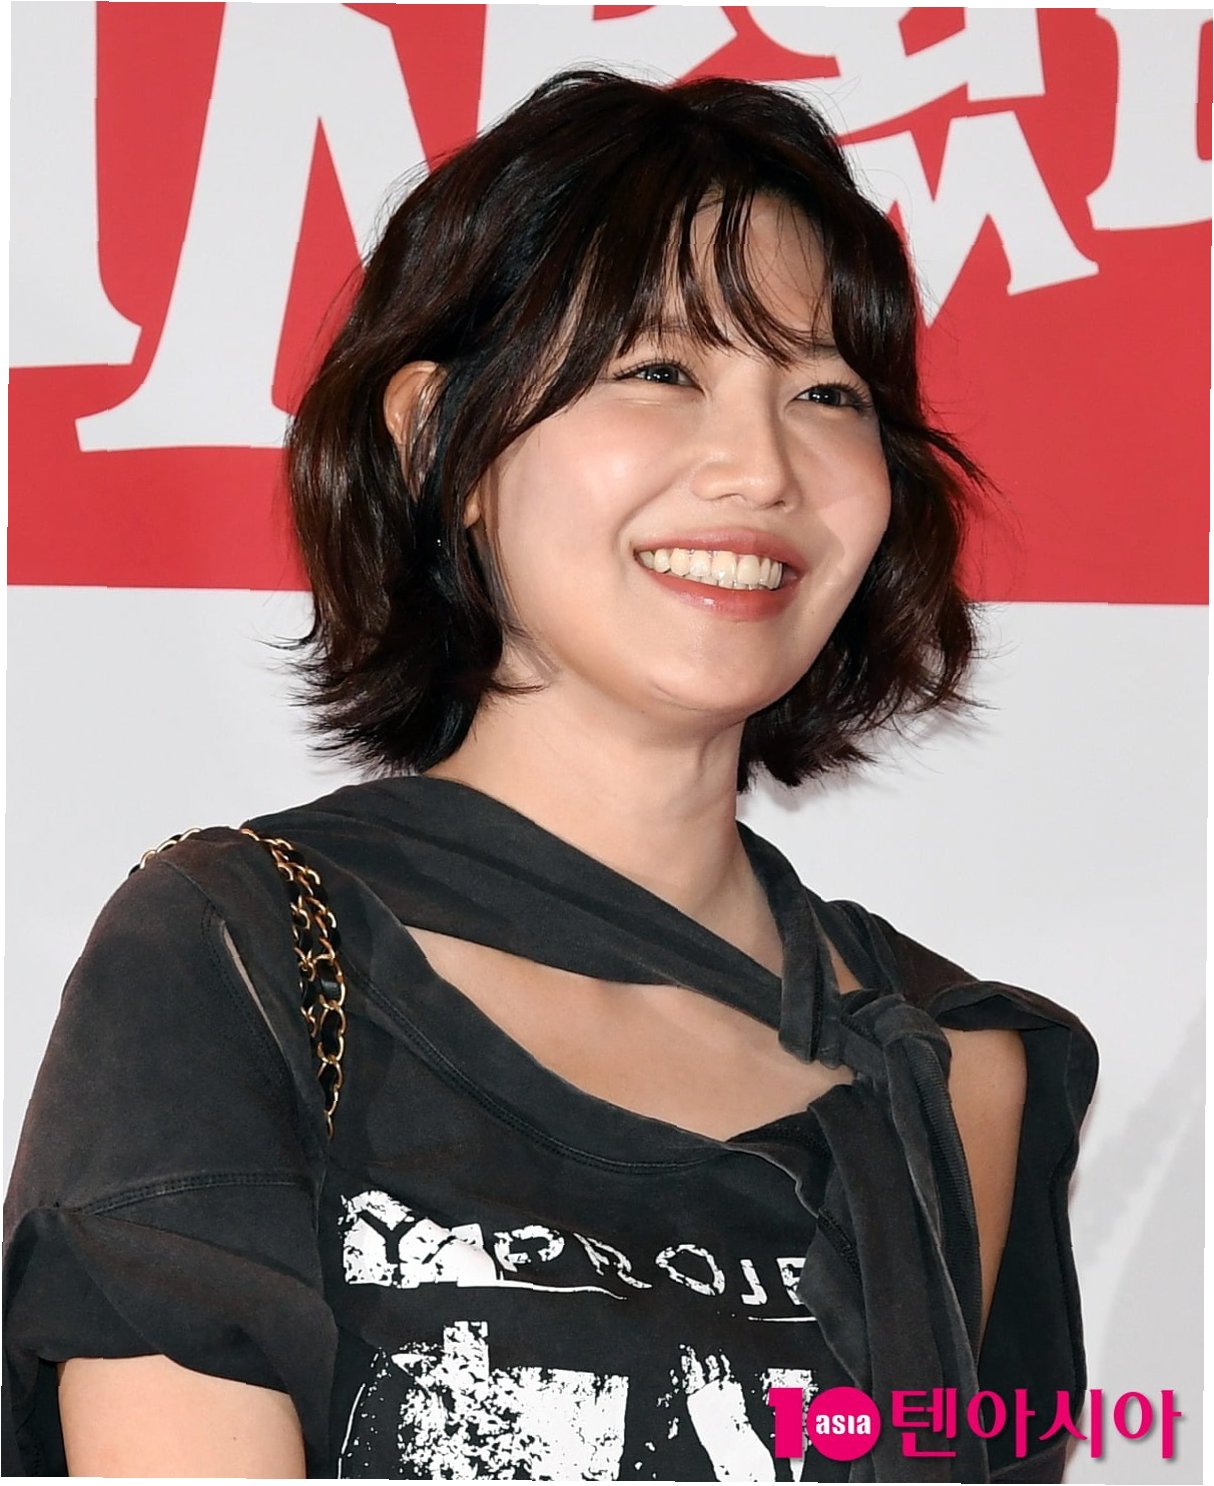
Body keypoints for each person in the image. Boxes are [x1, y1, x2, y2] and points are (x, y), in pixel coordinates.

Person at [3, 69, 1097, 1481]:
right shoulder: (243, 954)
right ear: (439, 440)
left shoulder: (960, 1071)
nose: (760, 468)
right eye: (661, 372)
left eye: (826, 392)